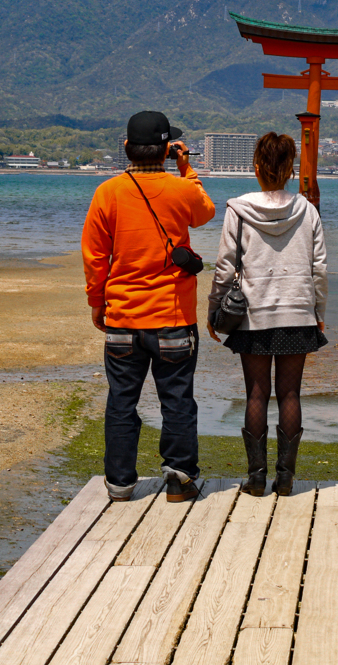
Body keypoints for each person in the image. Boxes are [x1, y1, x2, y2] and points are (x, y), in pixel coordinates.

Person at [82, 111, 216, 503]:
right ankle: (178, 478)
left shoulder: (108, 192)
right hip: (173, 317)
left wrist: (97, 301)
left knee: (122, 401)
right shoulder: (180, 189)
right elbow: (205, 211)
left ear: (126, 147)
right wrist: (186, 167)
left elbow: (94, 256)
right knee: (176, 399)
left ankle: (120, 483)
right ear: (165, 149)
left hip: (123, 316)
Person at [208, 132, 327, 497]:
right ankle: (286, 479)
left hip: (253, 316)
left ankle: (257, 478)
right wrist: (318, 310)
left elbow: (224, 267)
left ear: (256, 167)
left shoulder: (238, 209)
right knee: (290, 394)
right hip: (297, 312)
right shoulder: (307, 209)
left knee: (256, 395)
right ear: (290, 169)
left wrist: (214, 308)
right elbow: (319, 268)